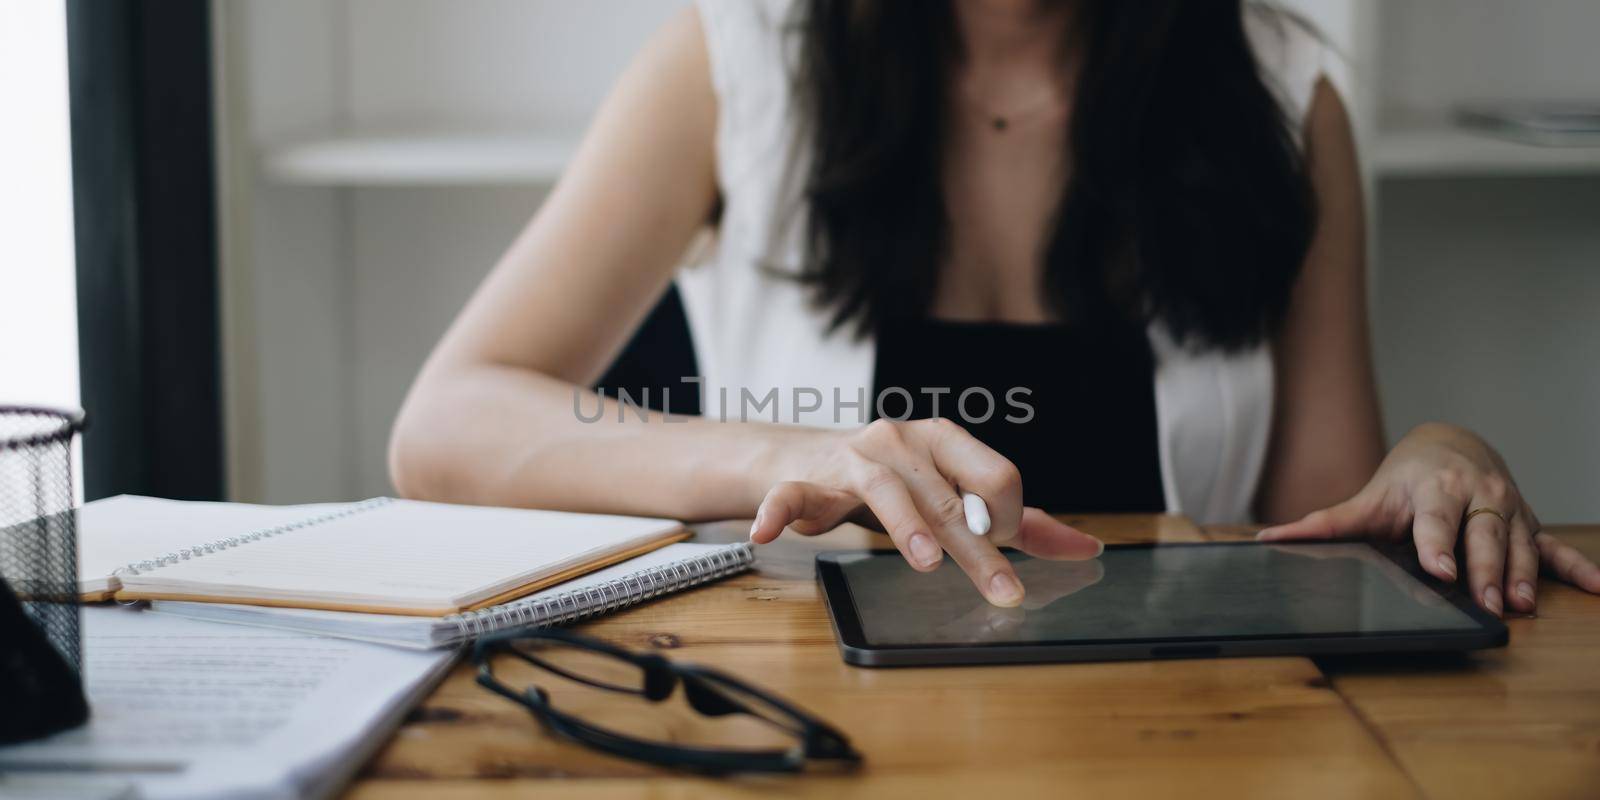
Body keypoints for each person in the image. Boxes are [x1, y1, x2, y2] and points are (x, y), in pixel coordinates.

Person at [389, 0, 1600, 613]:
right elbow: (446, 422)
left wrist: (1431, 459)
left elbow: (1314, 543)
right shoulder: (734, 58)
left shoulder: (1287, 97)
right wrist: (796, 450)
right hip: (813, 724)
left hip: (1187, 737)